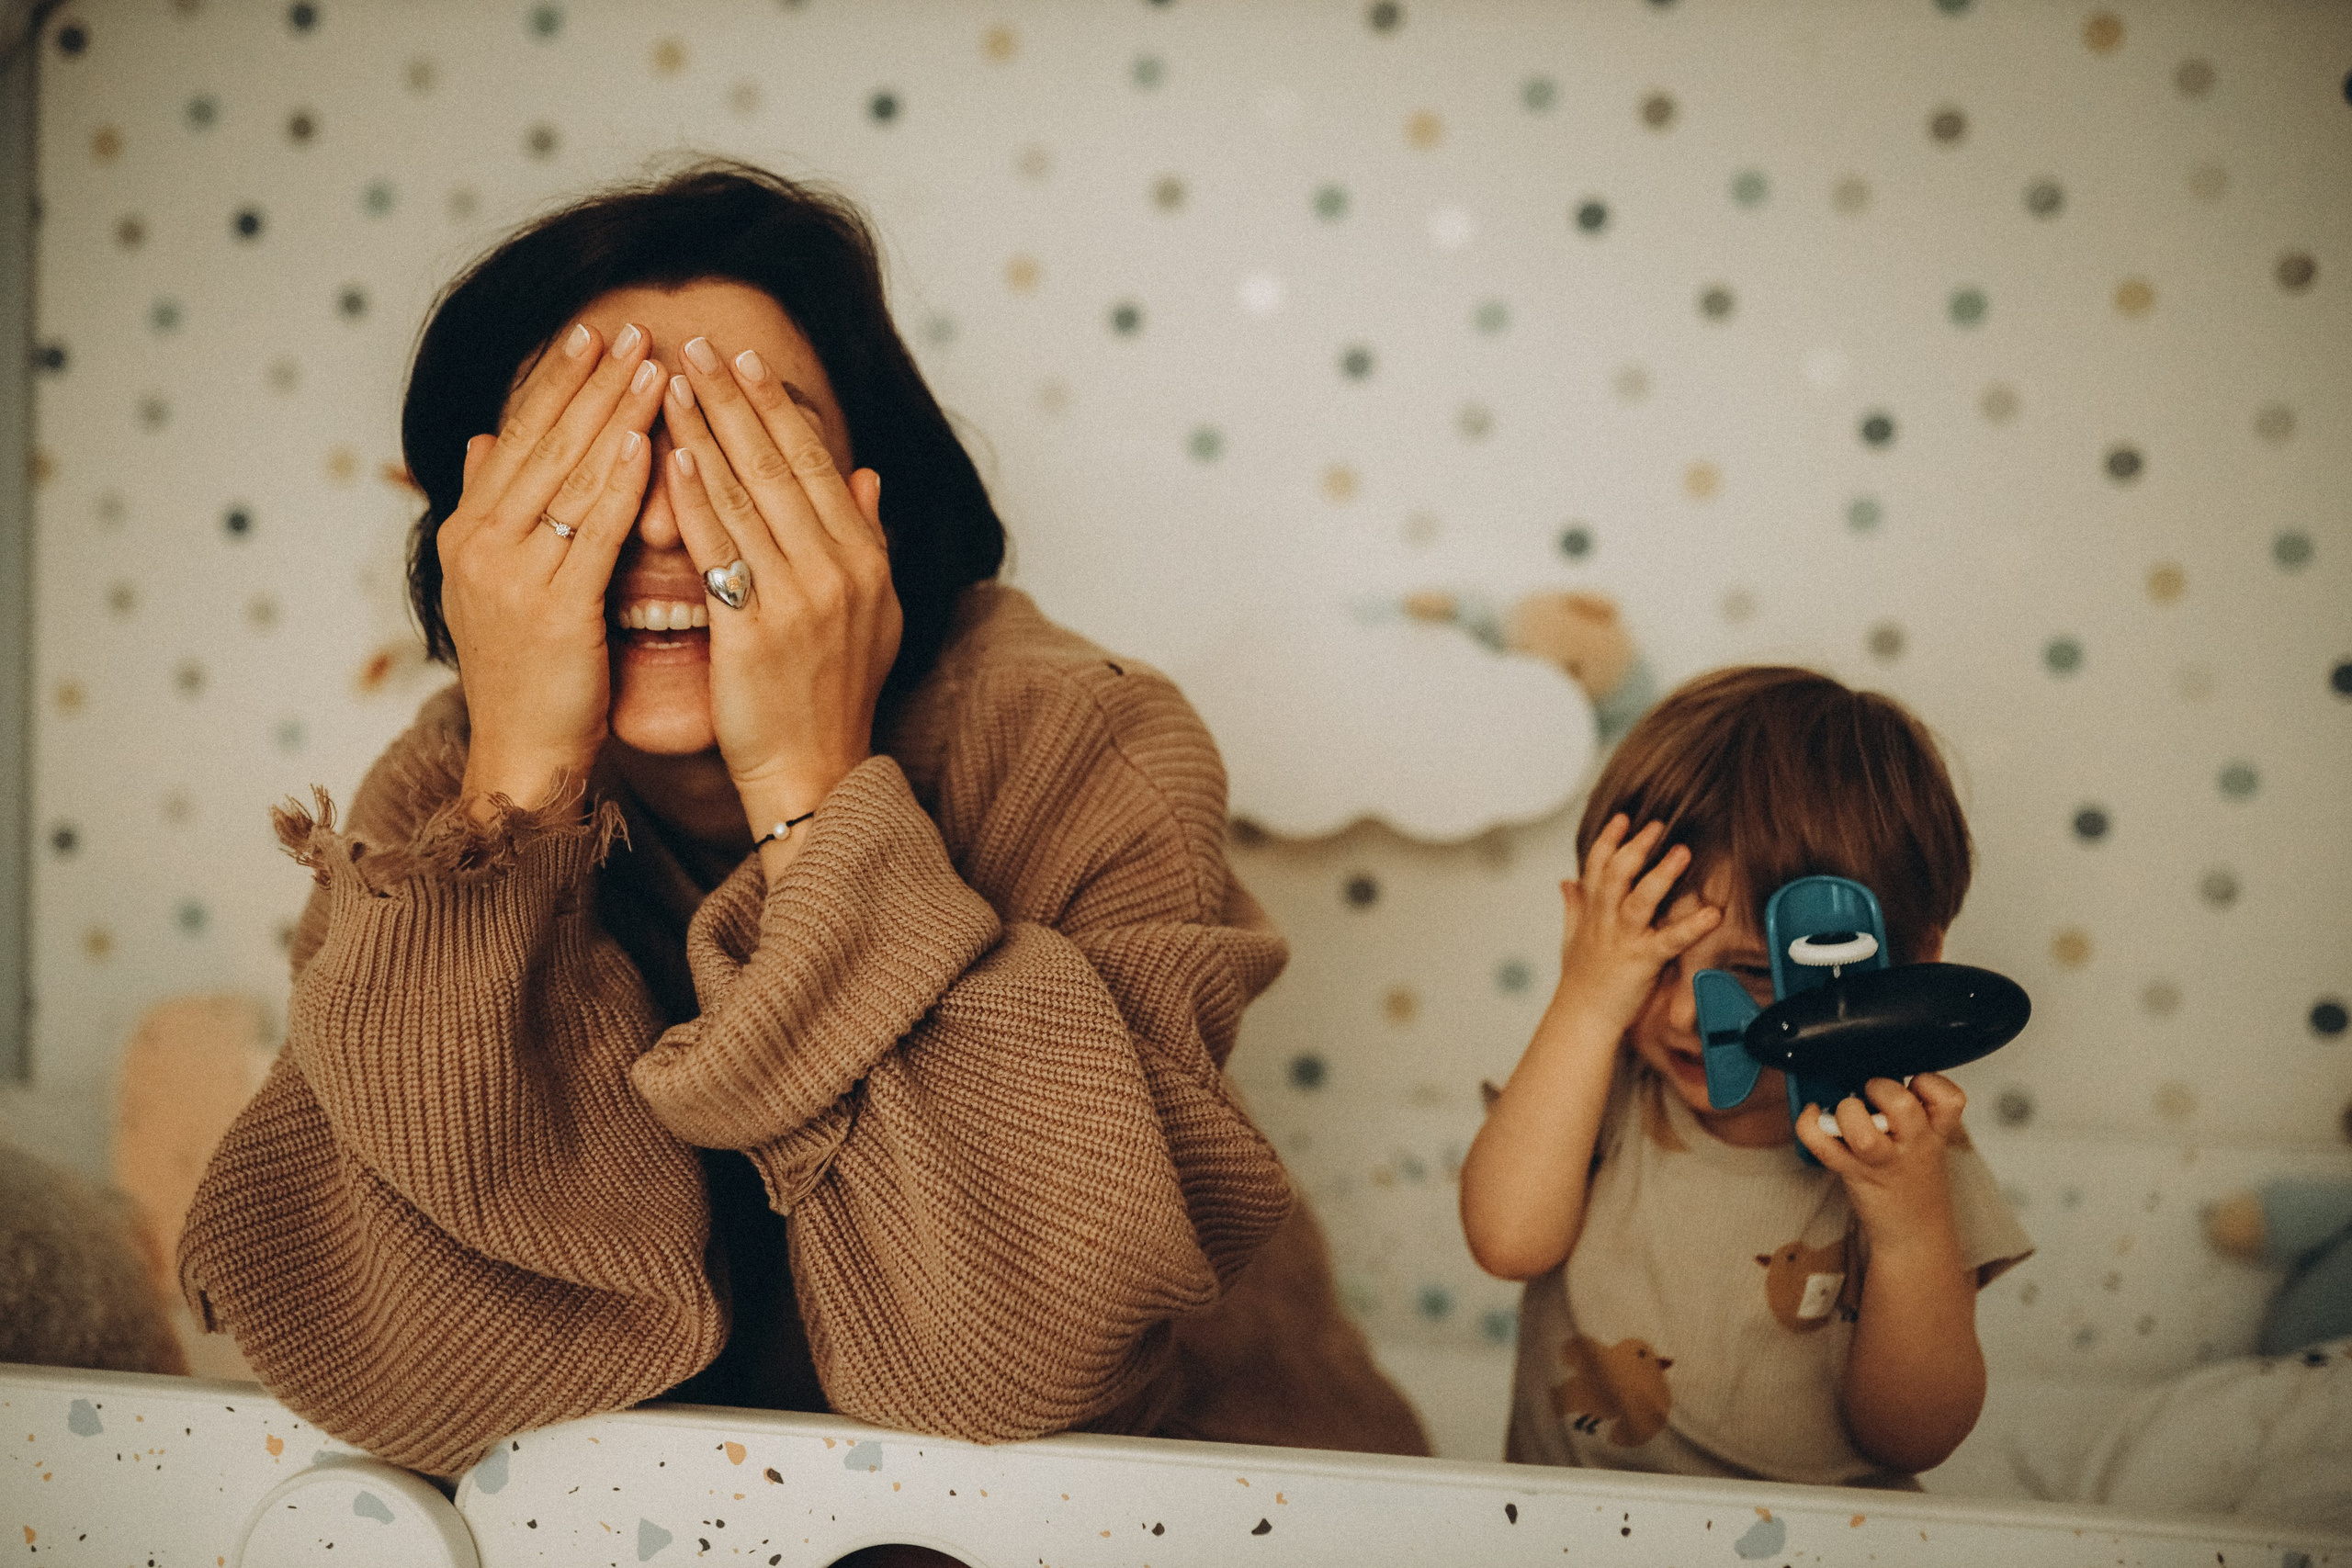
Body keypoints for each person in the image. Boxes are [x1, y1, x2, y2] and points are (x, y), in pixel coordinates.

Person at [178, 162, 1425, 1477]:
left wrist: (814, 793)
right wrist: (524, 792)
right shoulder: (443, 798)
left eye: (739, 446)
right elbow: (418, 1375)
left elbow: (1018, 1363)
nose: (660, 520)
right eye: (589, 454)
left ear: (868, 506)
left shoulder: (1083, 742)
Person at [1459, 667, 2030, 1487]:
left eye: (1754, 973)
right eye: (1650, 959)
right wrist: (1586, 1002)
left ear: (1907, 965)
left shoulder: (1900, 1145)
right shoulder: (1602, 1086)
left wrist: (1907, 1230)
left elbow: (1914, 1435)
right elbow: (1508, 1239)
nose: (1690, 1014)